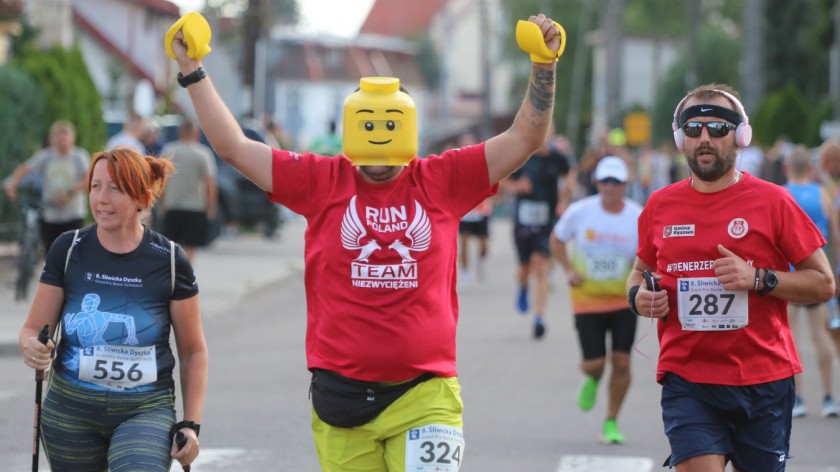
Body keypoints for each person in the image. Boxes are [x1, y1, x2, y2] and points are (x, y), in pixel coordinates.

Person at [168, 11, 561, 471]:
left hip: (425, 393)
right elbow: (234, 146)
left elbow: (525, 137)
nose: (378, 152)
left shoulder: (444, 178)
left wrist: (543, 63)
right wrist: (193, 70)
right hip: (342, 400)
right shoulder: (321, 180)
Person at [627, 84, 835, 471]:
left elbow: (823, 283)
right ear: (680, 139)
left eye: (718, 128)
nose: (705, 138)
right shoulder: (660, 205)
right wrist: (638, 296)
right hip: (688, 379)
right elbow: (639, 272)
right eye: (693, 129)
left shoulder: (774, 201)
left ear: (740, 137)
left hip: (764, 380)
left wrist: (759, 278)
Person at [18, 147, 208, 471]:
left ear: (141, 198)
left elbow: (193, 351)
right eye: (95, 186)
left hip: (145, 408)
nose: (101, 199)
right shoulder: (68, 248)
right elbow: (33, 329)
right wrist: (32, 347)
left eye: (115, 189)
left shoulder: (171, 260)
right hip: (70, 410)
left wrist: (191, 423)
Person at [550, 156, 642, 444]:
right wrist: (568, 269)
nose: (610, 187)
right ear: (597, 182)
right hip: (587, 300)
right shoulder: (580, 212)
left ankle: (611, 420)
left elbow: (650, 253)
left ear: (625, 185)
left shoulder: (638, 216)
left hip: (624, 300)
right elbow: (557, 239)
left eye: (616, 182)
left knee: (623, 361)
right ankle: (592, 378)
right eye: (605, 181)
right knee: (594, 364)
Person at [782, 145, 840, 418]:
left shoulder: (781, 194)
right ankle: (829, 398)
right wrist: (834, 272)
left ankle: (798, 399)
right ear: (810, 168)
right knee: (821, 337)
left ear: (786, 168)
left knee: (791, 339)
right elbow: (835, 239)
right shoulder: (823, 194)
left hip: (790, 278)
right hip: (817, 276)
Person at [499, 128, 571, 338]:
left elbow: (570, 177)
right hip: (522, 223)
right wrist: (515, 188)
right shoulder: (521, 158)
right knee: (524, 268)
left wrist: (564, 199)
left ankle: (539, 318)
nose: (544, 137)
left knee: (541, 269)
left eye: (548, 132)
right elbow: (501, 180)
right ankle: (522, 286)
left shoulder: (558, 159)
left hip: (546, 222)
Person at [4, 120, 90, 253]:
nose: (62, 142)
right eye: (59, 138)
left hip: (73, 214)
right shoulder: (46, 156)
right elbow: (25, 168)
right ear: (53, 139)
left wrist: (70, 194)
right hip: (51, 214)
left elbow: (87, 178)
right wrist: (13, 185)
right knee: (51, 252)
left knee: (73, 252)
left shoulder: (79, 156)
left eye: (65, 138)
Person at [160, 119, 218, 261]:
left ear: (179, 132)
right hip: (195, 207)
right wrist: (211, 208)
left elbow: (162, 180)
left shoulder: (169, 151)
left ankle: (173, 276)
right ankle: (187, 276)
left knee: (171, 248)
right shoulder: (203, 153)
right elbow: (210, 183)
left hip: (173, 205)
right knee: (191, 247)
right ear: (196, 134)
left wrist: (162, 202)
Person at [457, 132, 493, 284]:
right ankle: (465, 271)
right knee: (463, 242)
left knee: (484, 245)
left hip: (481, 211)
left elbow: (491, 181)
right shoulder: (456, 163)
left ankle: (480, 261)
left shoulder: (481, 162)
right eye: (464, 144)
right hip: (465, 212)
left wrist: (490, 201)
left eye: (469, 143)